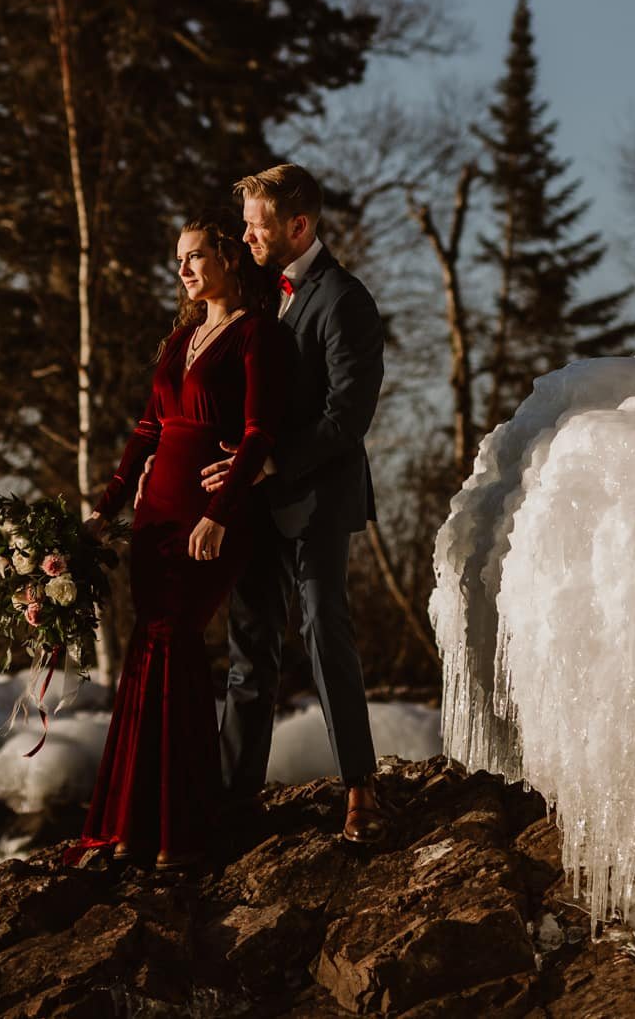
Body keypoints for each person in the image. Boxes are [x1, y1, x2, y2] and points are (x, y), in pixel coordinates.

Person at [65, 214, 291, 870]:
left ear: (227, 256)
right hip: (155, 519)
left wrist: (220, 512)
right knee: (147, 647)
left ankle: (179, 829)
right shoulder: (182, 336)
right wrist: (105, 512)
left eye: (195, 256)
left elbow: (258, 433)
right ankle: (128, 823)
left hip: (209, 516)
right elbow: (145, 427)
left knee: (175, 642)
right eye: (179, 259)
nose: (184, 268)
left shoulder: (257, 335)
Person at [210, 162, 388, 846]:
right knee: (248, 645)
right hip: (257, 500)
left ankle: (361, 790)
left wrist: (274, 459)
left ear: (299, 225)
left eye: (258, 223)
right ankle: (233, 802)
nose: (247, 235)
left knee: (321, 626)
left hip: (317, 494)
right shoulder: (259, 292)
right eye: (248, 222)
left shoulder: (346, 299)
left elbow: (350, 415)